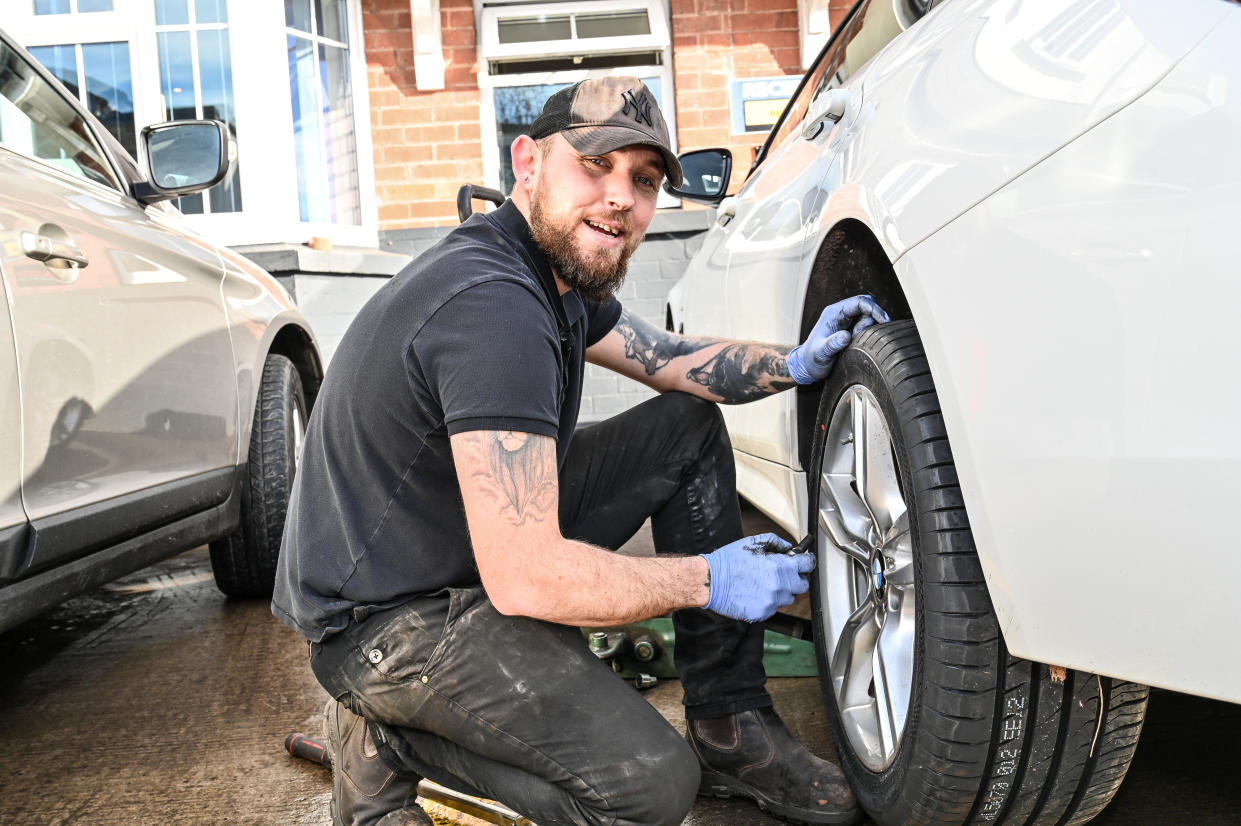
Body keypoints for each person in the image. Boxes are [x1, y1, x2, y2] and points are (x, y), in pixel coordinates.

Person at [272, 76, 889, 826]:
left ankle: (730, 726)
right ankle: (394, 737)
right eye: (594, 165)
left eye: (644, 179)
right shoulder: (491, 308)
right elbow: (527, 577)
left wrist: (791, 363)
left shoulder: (556, 272)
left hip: (453, 544)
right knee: (648, 786)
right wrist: (704, 579)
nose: (620, 197)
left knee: (683, 429)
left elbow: (665, 356)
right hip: (382, 624)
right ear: (527, 163)